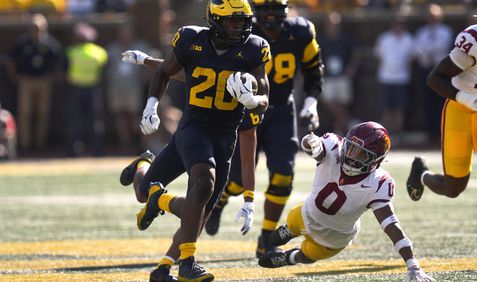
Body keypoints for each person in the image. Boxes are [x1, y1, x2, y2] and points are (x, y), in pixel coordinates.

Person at [119, 0, 270, 280]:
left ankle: (163, 266)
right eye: (232, 21)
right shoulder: (192, 39)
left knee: (194, 208)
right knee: (203, 183)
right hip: (194, 126)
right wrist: (151, 105)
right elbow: (167, 71)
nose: (239, 27)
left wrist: (251, 99)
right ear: (215, 21)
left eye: (242, 21)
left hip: (225, 137)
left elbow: (263, 96)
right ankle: (188, 263)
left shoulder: (254, 48)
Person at [204, 0, 324, 259]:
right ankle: (221, 201)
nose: (270, 15)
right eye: (265, 9)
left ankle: (267, 239)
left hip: (281, 109)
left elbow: (314, 72)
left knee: (283, 177)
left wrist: (311, 104)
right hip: (245, 110)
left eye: (275, 8)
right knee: (236, 181)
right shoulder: (241, 31)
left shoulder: (301, 31)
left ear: (285, 9)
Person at [258, 121, 435, 282]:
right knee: (277, 237)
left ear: (376, 160)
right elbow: (312, 146)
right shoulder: (334, 147)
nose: (351, 156)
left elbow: (390, 225)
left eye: (361, 155)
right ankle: (289, 231)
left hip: (335, 237)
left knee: (307, 257)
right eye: (350, 148)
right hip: (306, 214)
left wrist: (413, 265)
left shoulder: (378, 183)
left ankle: (289, 258)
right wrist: (312, 144)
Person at [406, 0, 477, 201]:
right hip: (460, 110)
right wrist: (465, 98)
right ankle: (421, 174)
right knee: (453, 188)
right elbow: (434, 78)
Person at [6, 13, 62, 151]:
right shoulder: (22, 42)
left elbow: (59, 60)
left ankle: (40, 143)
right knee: (25, 112)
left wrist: (54, 76)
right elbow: (10, 59)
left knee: (42, 112)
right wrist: (14, 75)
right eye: (33, 28)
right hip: (26, 80)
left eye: (39, 28)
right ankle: (25, 143)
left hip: (44, 80)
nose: (36, 31)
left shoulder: (50, 43)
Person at [105, 23, 152, 150]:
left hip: (133, 88)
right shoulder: (112, 48)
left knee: (134, 115)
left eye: (127, 33)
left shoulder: (140, 47)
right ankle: (126, 144)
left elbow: (153, 59)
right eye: (122, 34)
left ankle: (138, 142)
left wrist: (147, 75)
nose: (124, 36)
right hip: (116, 87)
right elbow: (107, 66)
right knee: (119, 115)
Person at [65, 22, 108, 157]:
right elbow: (104, 71)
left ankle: (73, 151)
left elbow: (64, 70)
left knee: (75, 121)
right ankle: (98, 151)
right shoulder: (100, 53)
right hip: (93, 89)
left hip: (76, 89)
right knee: (95, 122)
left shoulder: (71, 52)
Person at [414, 3, 453, 145]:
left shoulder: (445, 31)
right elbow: (418, 49)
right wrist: (429, 51)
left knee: (441, 103)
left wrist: (428, 50)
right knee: (427, 103)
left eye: (435, 16)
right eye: (430, 16)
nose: (432, 19)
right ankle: (430, 134)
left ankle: (442, 132)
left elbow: (442, 48)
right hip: (426, 69)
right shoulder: (422, 32)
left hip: (442, 71)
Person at [317, 12, 360, 135]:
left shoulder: (346, 38)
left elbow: (356, 54)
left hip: (343, 77)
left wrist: (352, 68)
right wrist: (320, 67)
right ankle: (350, 123)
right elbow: (314, 55)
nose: (333, 26)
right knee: (328, 102)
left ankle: (340, 132)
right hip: (328, 77)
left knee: (342, 104)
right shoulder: (321, 39)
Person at [373, 16, 414, 145]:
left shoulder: (409, 39)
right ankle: (386, 136)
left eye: (401, 24)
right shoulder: (384, 38)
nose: (398, 26)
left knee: (399, 108)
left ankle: (398, 135)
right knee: (386, 108)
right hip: (385, 78)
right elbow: (377, 55)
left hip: (402, 79)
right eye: (396, 23)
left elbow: (413, 57)